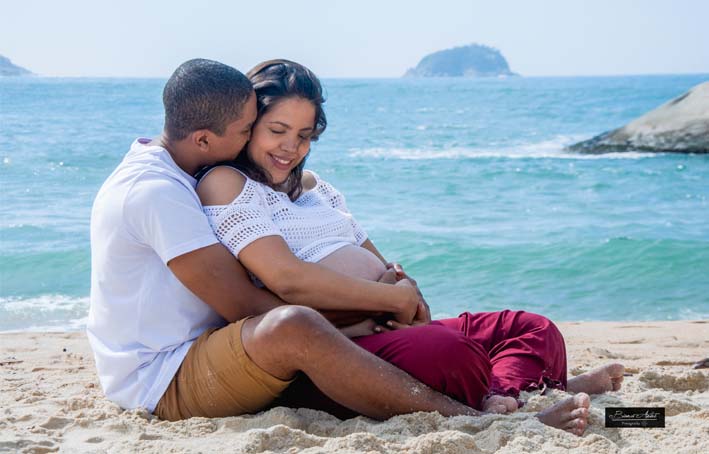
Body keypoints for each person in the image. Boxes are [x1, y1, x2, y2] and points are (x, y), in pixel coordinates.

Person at [196, 59, 625, 435]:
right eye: (278, 130)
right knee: (455, 357)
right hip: (343, 344)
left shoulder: (315, 187)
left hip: (387, 323)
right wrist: (387, 299)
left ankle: (503, 394)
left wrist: (405, 291)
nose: (291, 146)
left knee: (534, 328)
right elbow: (286, 279)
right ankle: (520, 394)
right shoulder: (229, 184)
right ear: (249, 124)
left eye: (305, 134)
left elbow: (378, 259)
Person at [88, 58, 491, 426]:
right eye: (249, 129)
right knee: (294, 323)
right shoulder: (155, 191)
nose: (256, 140)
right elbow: (243, 305)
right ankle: (465, 418)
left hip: (212, 349)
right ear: (204, 140)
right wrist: (375, 305)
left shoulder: (182, 172)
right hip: (162, 376)